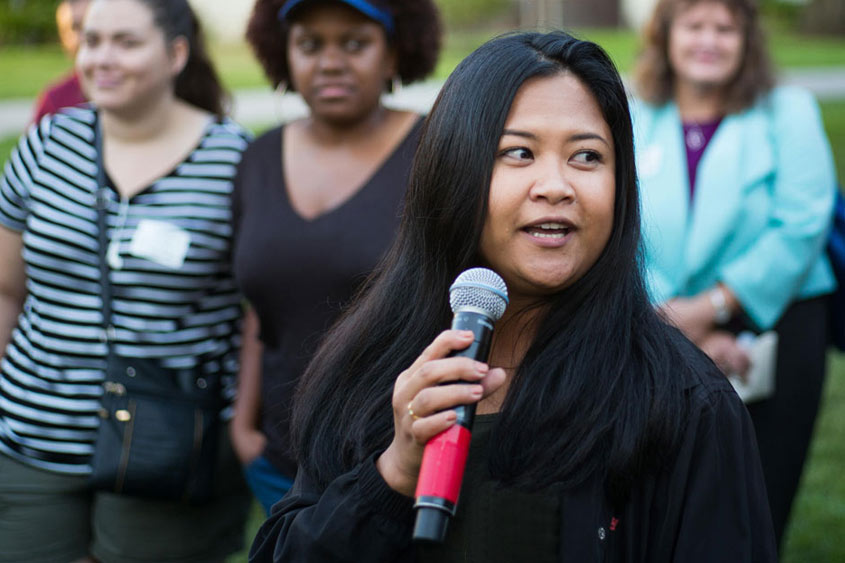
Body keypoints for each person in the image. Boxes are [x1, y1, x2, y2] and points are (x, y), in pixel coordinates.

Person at [248, 30, 777, 562]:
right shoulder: (370, 368)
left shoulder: (683, 403)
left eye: (587, 156)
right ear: (454, 172)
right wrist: (392, 475)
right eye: (519, 153)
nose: (556, 185)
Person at [0, 1, 252, 561]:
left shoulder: (233, 159)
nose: (101, 59)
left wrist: (246, 419)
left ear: (177, 53)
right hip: (32, 432)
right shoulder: (45, 147)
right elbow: (5, 290)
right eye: (92, 41)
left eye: (126, 42)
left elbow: (257, 310)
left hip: (169, 439)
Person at [631, 0, 838, 549]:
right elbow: (615, 222)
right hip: (653, 325)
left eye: (725, 28)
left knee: (758, 507)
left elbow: (802, 221)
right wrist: (676, 322)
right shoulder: (633, 113)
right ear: (666, 35)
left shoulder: (787, 109)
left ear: (747, 40)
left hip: (776, 327)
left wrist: (711, 310)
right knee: (657, 509)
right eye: (694, 25)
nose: (709, 40)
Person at [231, 0, 442, 514]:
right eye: (309, 44)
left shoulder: (435, 151)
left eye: (355, 43)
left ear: (394, 54)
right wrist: (242, 425)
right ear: (284, 53)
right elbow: (263, 309)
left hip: (396, 461)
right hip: (279, 464)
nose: (330, 62)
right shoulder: (258, 159)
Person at [33, 0, 91, 123]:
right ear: (63, 39)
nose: (88, 35)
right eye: (76, 27)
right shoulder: (55, 100)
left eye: (91, 22)